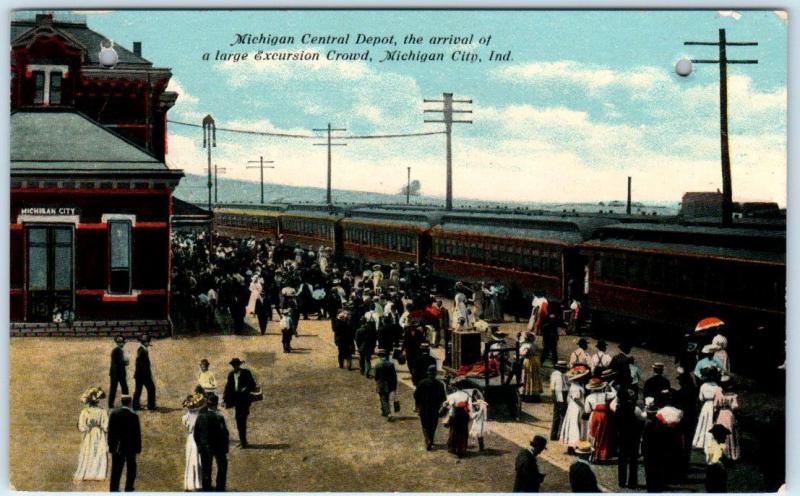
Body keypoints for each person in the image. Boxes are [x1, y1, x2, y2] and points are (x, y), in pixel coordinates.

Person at [194, 393, 229, 492]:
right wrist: (225, 448)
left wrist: (199, 446)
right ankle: (220, 488)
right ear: (215, 405)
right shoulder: (219, 417)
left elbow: (196, 433)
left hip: (205, 447)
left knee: (206, 469)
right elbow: (224, 433)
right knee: (222, 467)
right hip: (218, 448)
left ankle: (207, 488)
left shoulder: (201, 416)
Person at [74, 387, 109, 482]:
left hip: (89, 434)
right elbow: (106, 426)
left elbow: (81, 427)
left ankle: (87, 473)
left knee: (88, 451)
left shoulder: (85, 412)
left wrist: (85, 427)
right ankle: (98, 474)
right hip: (99, 434)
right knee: (98, 452)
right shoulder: (103, 411)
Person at [108, 394, 141, 492]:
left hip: (117, 447)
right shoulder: (134, 416)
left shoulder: (114, 414)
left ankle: (114, 488)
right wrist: (138, 447)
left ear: (122, 402)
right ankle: (129, 488)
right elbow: (137, 433)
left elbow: (111, 432)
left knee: (116, 469)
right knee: (131, 468)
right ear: (130, 402)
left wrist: (111, 446)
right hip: (131, 447)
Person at [223, 358, 256, 448]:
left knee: (242, 421)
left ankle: (243, 442)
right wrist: (224, 399)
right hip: (236, 401)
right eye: (233, 365)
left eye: (236, 365)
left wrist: (246, 388)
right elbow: (228, 387)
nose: (235, 367)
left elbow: (253, 384)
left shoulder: (246, 373)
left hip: (244, 400)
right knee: (239, 421)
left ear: (239, 365)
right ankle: (243, 441)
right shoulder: (231, 374)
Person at [413, 364, 447, 451]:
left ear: (428, 373)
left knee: (424, 424)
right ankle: (431, 440)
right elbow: (444, 398)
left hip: (424, 408)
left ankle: (427, 440)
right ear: (435, 374)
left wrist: (418, 403)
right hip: (435, 408)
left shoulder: (422, 383)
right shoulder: (440, 384)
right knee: (433, 425)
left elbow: (416, 394)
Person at [584, 377, 616, 463]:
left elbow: (587, 410)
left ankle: (592, 455)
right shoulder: (605, 394)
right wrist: (610, 386)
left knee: (593, 434)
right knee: (603, 434)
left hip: (594, 415)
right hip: (604, 416)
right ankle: (602, 455)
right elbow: (615, 394)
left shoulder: (589, 397)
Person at [560, 366, 589, 452]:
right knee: (574, 425)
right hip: (576, 407)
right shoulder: (576, 386)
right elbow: (576, 399)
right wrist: (583, 407)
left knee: (575, 424)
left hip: (574, 407)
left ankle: (573, 445)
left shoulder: (576, 385)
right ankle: (574, 445)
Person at [693, 370, 722, 450]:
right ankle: (709, 441)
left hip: (706, 405)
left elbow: (701, 398)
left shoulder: (703, 386)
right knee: (711, 422)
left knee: (704, 422)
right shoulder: (717, 387)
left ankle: (701, 441)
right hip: (713, 405)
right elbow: (718, 398)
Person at [642, 398, 666, 492]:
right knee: (657, 469)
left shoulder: (647, 424)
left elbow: (644, 439)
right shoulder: (660, 423)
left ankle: (651, 488)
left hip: (649, 450)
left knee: (649, 471)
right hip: (658, 449)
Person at [181, 393, 204, 492]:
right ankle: (197, 483)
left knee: (190, 461)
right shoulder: (201, 416)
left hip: (190, 439)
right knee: (198, 461)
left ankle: (190, 484)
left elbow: (186, 423)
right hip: (198, 439)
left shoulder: (185, 417)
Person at [713, 376, 740, 461]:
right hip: (728, 414)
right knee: (730, 432)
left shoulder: (718, 395)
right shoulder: (733, 396)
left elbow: (715, 407)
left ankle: (723, 453)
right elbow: (735, 407)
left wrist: (715, 417)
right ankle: (731, 453)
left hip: (721, 414)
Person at [705, 424, 731, 492]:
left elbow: (710, 457)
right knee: (719, 487)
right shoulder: (720, 446)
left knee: (712, 486)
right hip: (718, 469)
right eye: (724, 436)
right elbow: (720, 458)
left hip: (713, 468)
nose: (725, 438)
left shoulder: (713, 444)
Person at [133, 334, 156, 411]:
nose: (148, 343)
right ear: (144, 342)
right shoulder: (141, 350)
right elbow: (139, 363)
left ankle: (136, 406)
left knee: (139, 390)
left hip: (141, 375)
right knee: (151, 389)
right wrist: (145, 374)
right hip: (143, 375)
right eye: (147, 342)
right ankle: (150, 406)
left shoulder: (143, 349)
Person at [373, 349, 398, 419]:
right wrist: (395, 386)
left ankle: (388, 413)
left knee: (383, 399)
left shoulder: (377, 365)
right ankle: (384, 411)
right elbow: (394, 376)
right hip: (390, 385)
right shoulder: (391, 364)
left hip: (381, 385)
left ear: (379, 356)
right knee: (387, 399)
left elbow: (376, 376)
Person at [549, 360, 569, 440]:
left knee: (558, 416)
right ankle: (556, 434)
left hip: (560, 395)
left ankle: (556, 434)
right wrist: (560, 401)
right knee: (559, 416)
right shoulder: (557, 375)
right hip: (559, 396)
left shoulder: (561, 374)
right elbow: (556, 388)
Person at [108, 335, 129, 409]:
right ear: (117, 343)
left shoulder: (118, 350)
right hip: (116, 373)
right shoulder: (117, 350)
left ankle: (112, 404)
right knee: (118, 388)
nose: (122, 344)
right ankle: (113, 404)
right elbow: (120, 362)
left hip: (118, 373)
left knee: (122, 388)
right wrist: (126, 362)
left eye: (123, 343)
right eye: (120, 343)